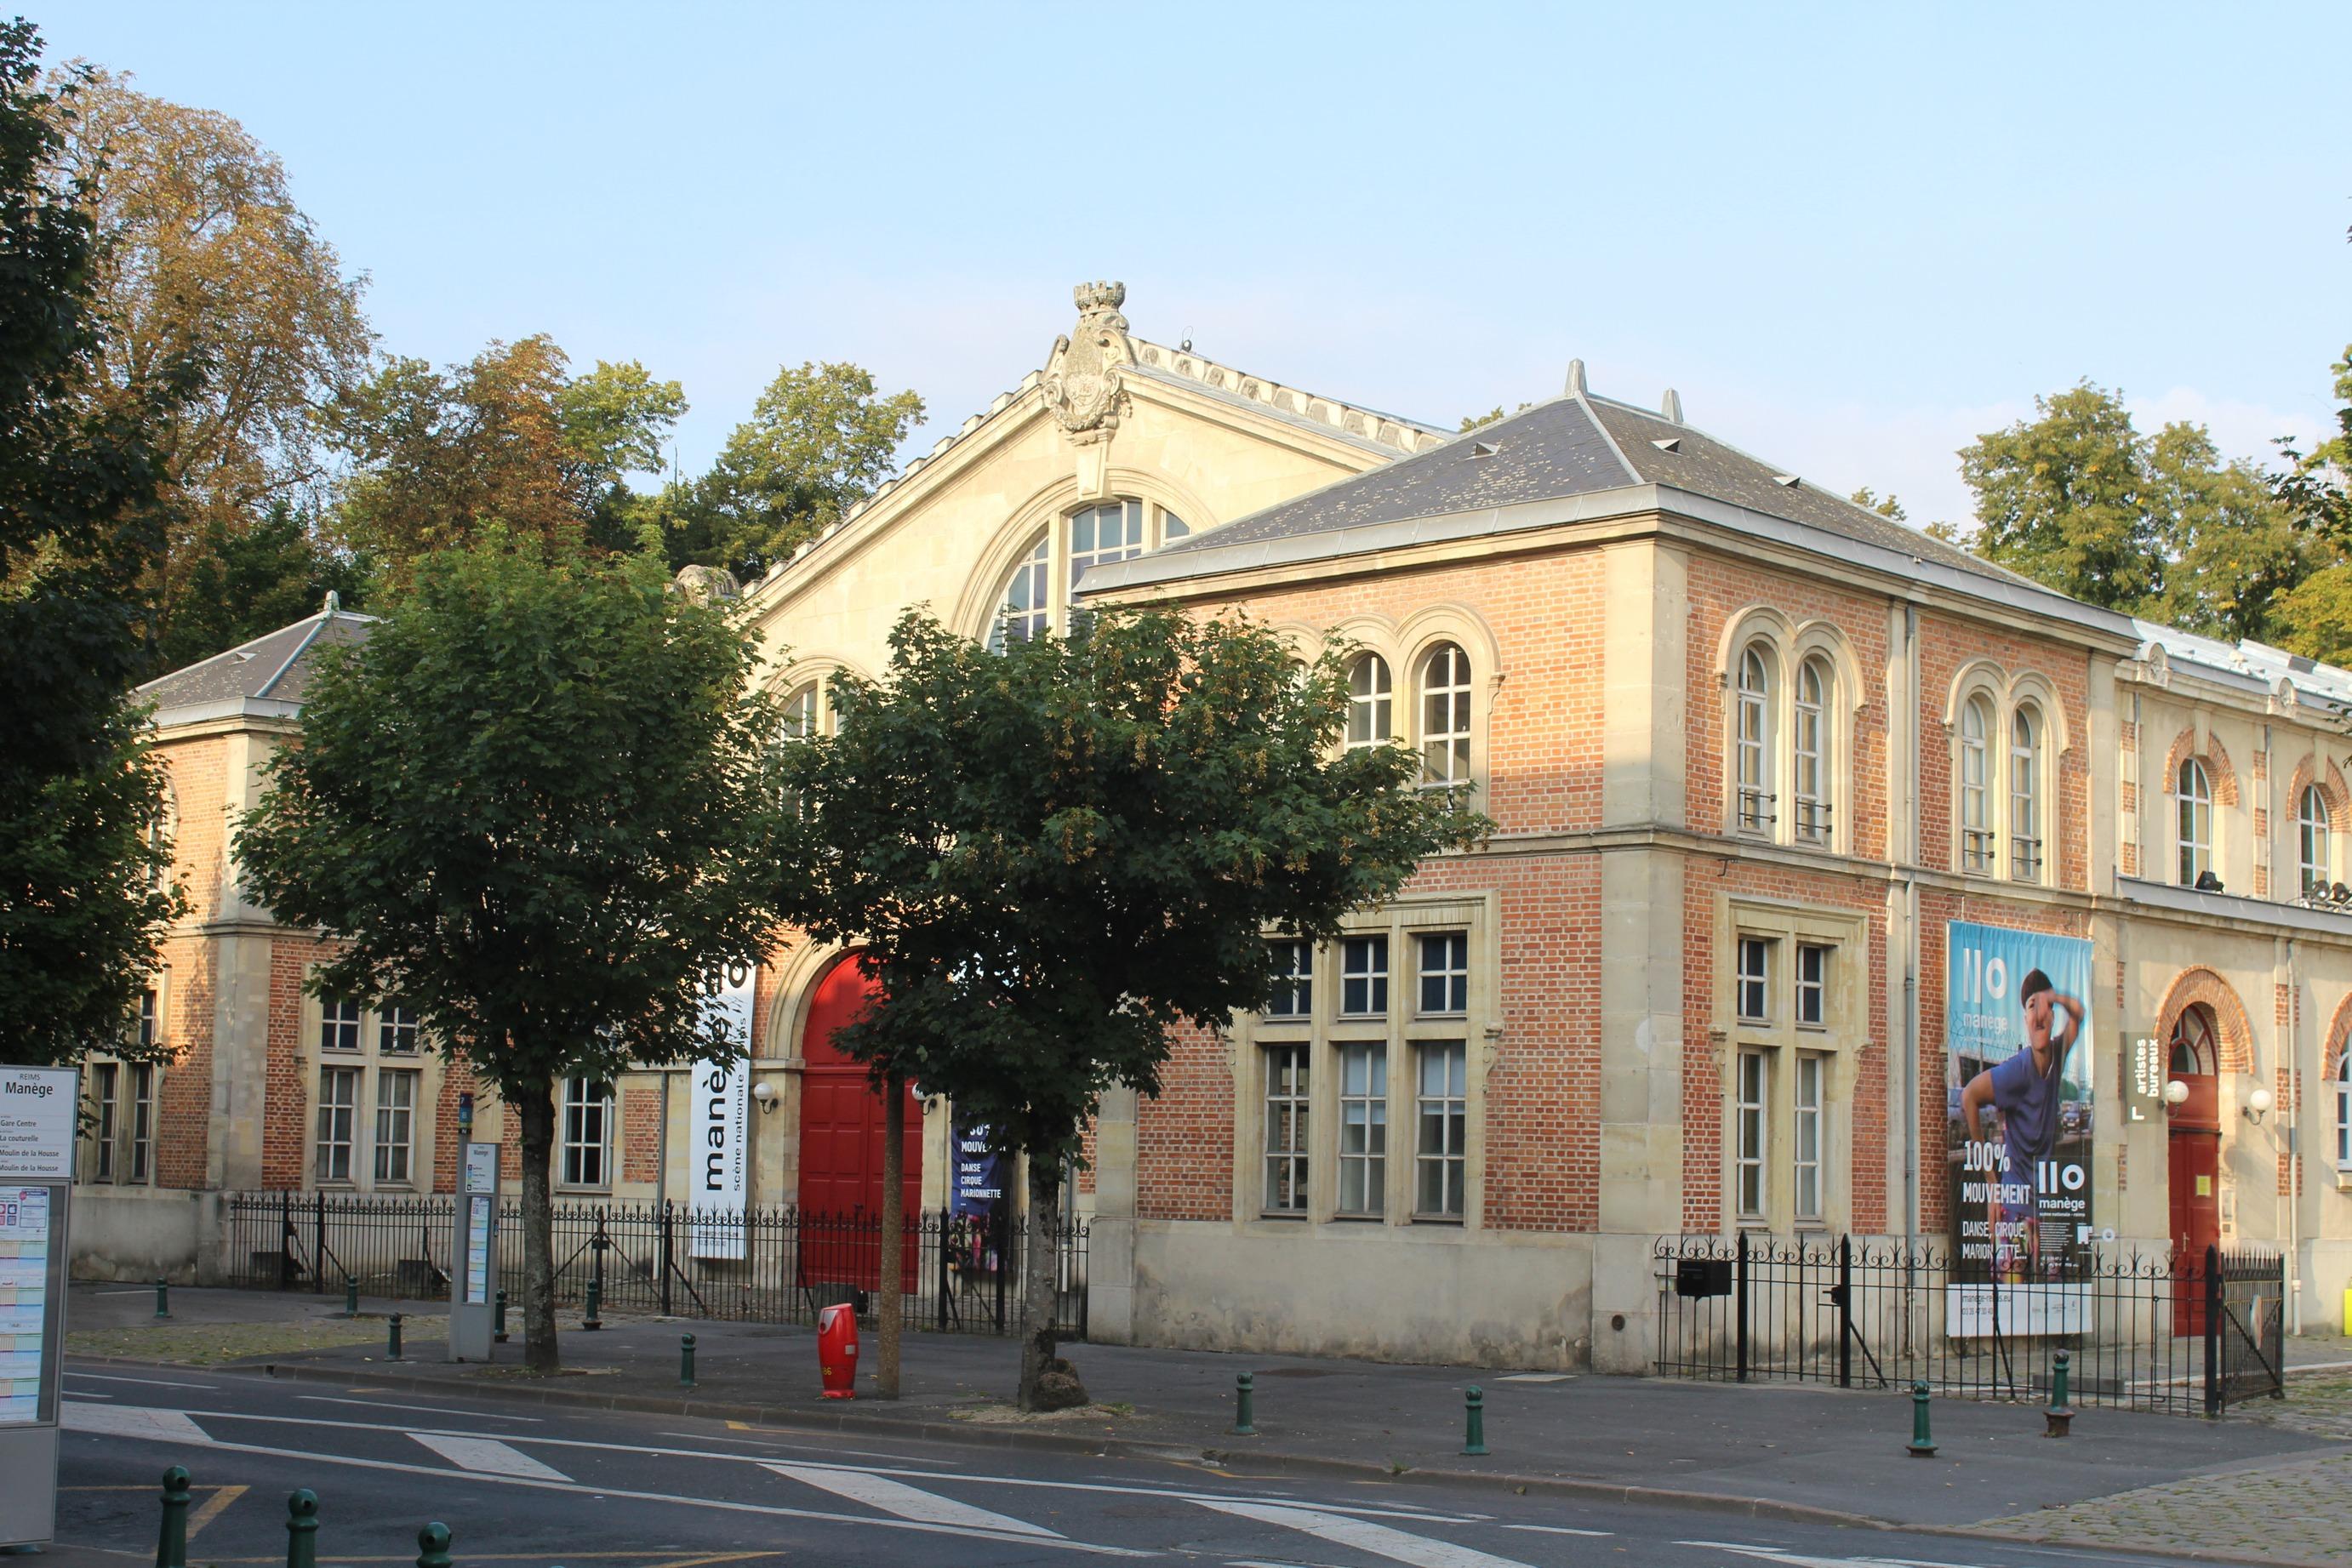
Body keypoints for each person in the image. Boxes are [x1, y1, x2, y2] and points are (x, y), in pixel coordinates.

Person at [1960, 966, 2084, 1278]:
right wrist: (1991, 1183)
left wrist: (2049, 996)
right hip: (2014, 1207)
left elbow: (2079, 1013)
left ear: (2052, 1016)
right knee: (2011, 1287)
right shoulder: (2017, 1070)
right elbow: (1969, 1096)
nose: (2040, 1014)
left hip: (2044, 1210)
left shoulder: (2058, 1055)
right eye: (2032, 1007)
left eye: (2046, 1008)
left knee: (2048, 1291)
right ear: (2025, 1020)